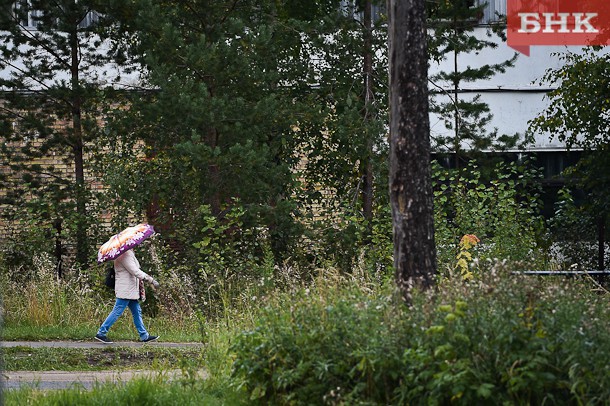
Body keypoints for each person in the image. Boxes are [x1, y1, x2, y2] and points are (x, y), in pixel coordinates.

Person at [95, 249, 160, 343]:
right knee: (117, 311)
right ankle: (101, 333)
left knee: (137, 311)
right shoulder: (125, 254)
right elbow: (135, 271)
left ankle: (144, 335)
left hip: (130, 290)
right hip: (126, 290)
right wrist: (151, 280)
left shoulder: (125, 253)